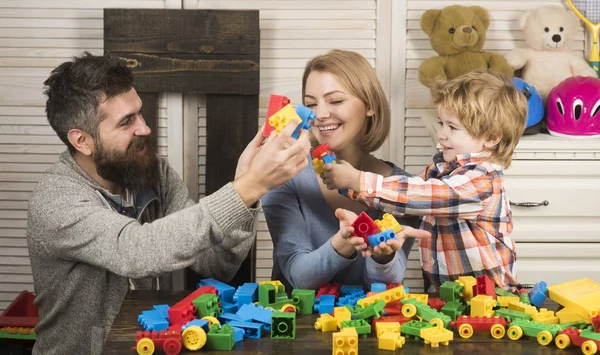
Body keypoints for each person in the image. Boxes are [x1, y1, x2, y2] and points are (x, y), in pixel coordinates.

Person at [26, 52, 311, 355]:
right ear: (82, 141)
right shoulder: (56, 201)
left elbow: (215, 262)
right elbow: (137, 251)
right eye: (127, 122)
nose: (145, 128)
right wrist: (249, 186)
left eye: (139, 113)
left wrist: (247, 194)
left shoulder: (149, 171)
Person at [322, 69, 528, 292]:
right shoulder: (442, 169)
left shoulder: (482, 180)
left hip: (491, 296)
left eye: (452, 127)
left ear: (491, 137)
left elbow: (419, 196)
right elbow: (400, 198)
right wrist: (350, 188)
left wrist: (359, 181)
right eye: (441, 123)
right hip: (447, 292)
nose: (441, 134)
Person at [262, 50, 429, 291]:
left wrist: (382, 256)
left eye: (336, 101)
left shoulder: (403, 187)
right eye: (311, 104)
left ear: (370, 105)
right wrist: (344, 242)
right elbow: (298, 277)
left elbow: (385, 286)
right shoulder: (285, 175)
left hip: (367, 327)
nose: (319, 115)